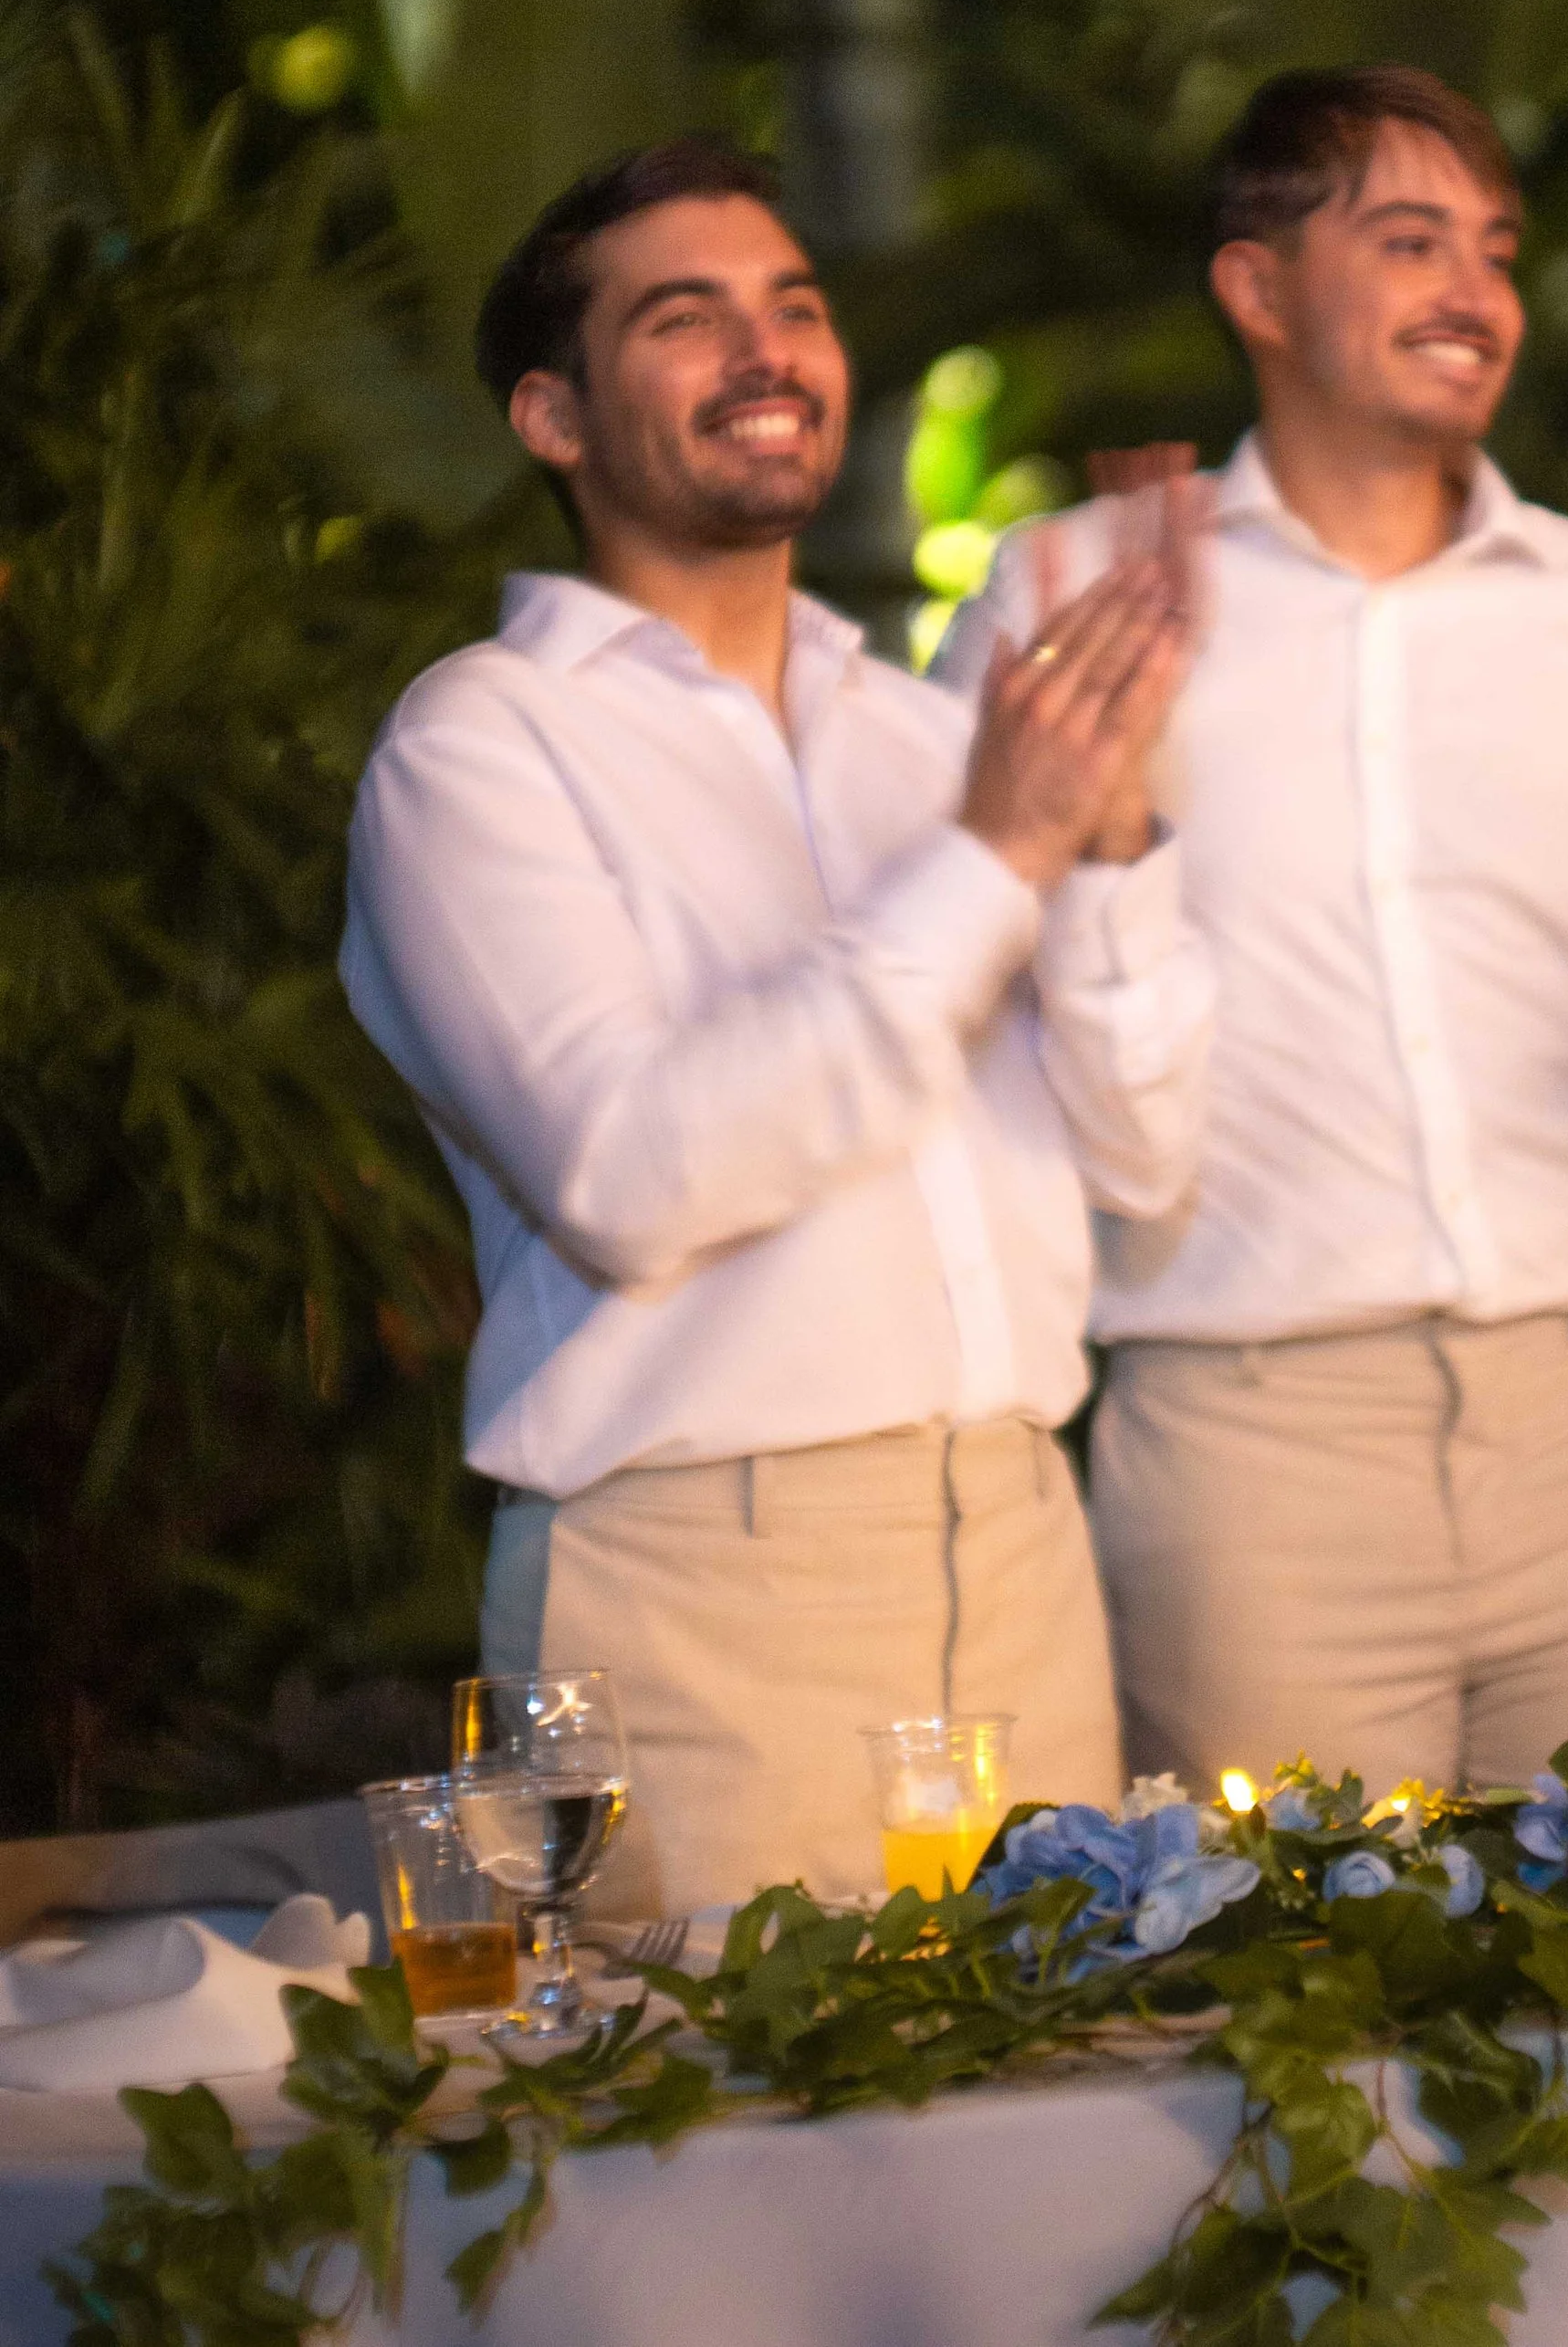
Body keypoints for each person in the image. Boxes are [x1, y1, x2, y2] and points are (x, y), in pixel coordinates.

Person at [938, 64, 1568, 1797]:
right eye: (1412, 241)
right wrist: (1100, 829)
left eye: (1496, 249)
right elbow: (958, 1024)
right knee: (1290, 1963)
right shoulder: (1074, 596)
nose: (1477, 293)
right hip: (1250, 1449)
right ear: (1257, 286)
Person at [340, 136, 1211, 1910]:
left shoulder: (928, 740)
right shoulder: (479, 744)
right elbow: (629, 1177)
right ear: (552, 417)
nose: (766, 350)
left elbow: (1145, 1160)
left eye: (792, 306)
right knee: (704, 2093)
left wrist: (1113, 837)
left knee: (1077, 2088)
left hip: (1021, 1551)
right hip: (698, 1594)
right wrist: (1000, 852)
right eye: (685, 317)